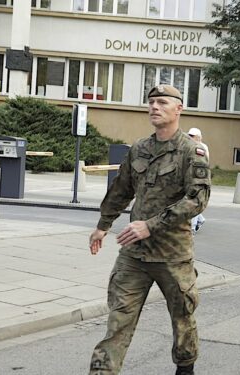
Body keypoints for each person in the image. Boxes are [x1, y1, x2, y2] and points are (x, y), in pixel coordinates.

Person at [87, 85, 210, 375]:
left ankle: (185, 367)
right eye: (151, 102)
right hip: (134, 255)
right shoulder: (139, 148)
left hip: (172, 255)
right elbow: (122, 189)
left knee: (183, 318)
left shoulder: (192, 152)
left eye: (162, 102)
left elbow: (197, 199)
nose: (154, 107)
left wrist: (150, 226)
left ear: (178, 108)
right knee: (118, 321)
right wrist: (103, 225)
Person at [187, 128, 209, 234]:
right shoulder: (190, 146)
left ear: (199, 137)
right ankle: (200, 220)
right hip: (190, 177)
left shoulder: (201, 148)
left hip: (198, 178)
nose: (190, 138)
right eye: (190, 136)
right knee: (189, 201)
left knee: (194, 201)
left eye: (193, 136)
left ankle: (193, 226)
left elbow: (200, 164)